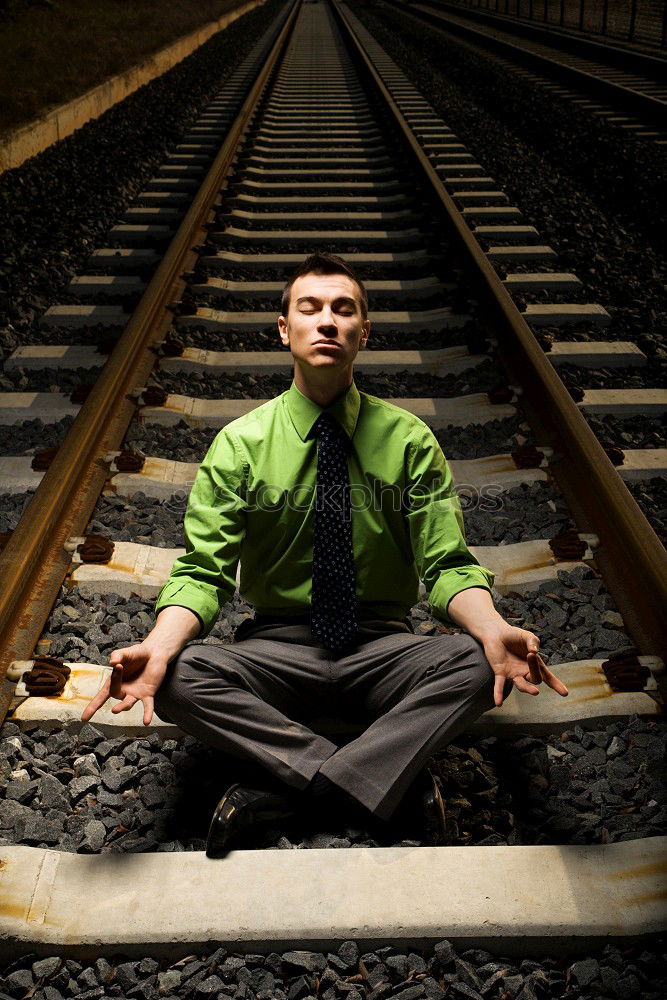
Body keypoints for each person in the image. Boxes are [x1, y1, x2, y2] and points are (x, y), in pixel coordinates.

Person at [81, 252, 568, 856]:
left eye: (344, 309)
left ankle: (290, 794)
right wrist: (156, 645)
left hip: (383, 647)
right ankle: (374, 786)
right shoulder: (241, 444)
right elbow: (204, 573)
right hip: (276, 650)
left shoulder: (409, 439)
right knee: (177, 675)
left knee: (477, 663)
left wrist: (494, 628)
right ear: (285, 329)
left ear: (364, 331)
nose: (327, 321)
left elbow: (447, 566)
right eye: (309, 309)